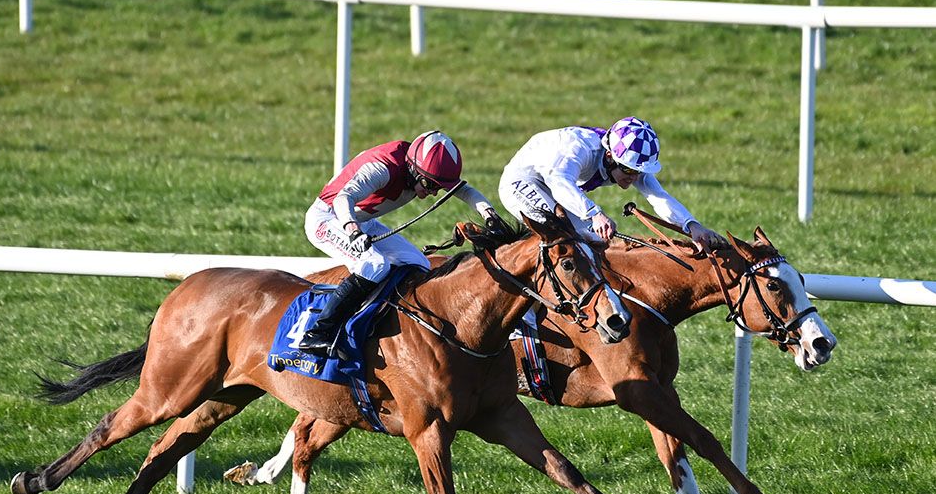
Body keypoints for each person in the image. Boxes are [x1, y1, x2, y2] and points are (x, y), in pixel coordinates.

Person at [299, 130, 504, 355]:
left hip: (363, 221)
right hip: (329, 218)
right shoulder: (383, 167)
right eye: (429, 184)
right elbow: (343, 198)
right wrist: (353, 230)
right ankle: (317, 333)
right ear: (414, 169)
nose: (433, 193)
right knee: (374, 264)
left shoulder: (424, 167)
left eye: (437, 187)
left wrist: (490, 215)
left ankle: (387, 322)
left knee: (419, 263)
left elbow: (464, 190)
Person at [498, 117, 726, 251]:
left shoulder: (625, 160)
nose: (634, 178)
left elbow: (658, 196)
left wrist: (692, 225)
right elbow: (559, 183)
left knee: (596, 243)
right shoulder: (579, 149)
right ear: (609, 156)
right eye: (629, 170)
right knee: (568, 238)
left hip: (555, 187)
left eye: (639, 172)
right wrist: (594, 214)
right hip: (522, 181)